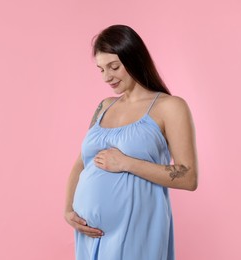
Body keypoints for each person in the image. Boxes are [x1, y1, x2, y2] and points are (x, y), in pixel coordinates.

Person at [64, 24, 198, 260]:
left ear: (134, 58)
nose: (107, 77)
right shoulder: (105, 106)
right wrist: (68, 210)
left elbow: (188, 177)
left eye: (114, 67)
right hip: (89, 236)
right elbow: (80, 164)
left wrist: (126, 163)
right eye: (101, 69)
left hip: (138, 231)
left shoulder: (169, 107)